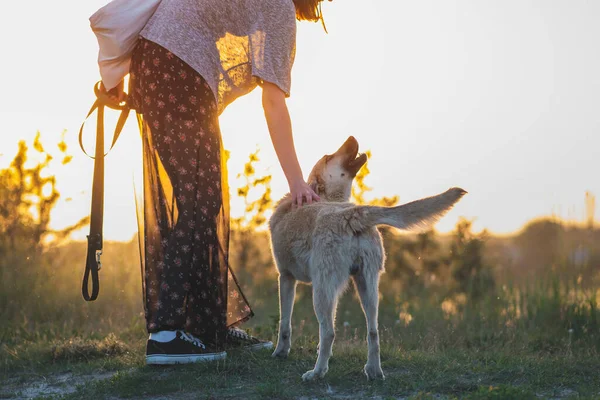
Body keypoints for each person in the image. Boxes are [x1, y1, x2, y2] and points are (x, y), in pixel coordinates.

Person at [101, 0, 327, 365]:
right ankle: (166, 335)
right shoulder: (281, 7)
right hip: (177, 72)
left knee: (201, 199)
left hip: (156, 65)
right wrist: (297, 181)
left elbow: (179, 17)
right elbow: (273, 102)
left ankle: (207, 327)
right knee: (201, 201)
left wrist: (125, 74)